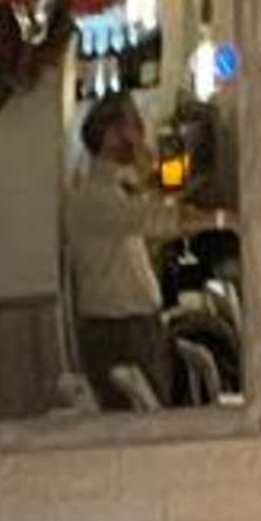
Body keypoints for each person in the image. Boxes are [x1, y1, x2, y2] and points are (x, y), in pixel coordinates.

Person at [62, 90, 168, 403]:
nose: (141, 133)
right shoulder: (96, 196)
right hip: (119, 331)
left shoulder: (117, 189)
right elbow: (157, 218)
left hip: (131, 326)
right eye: (134, 125)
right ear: (111, 135)